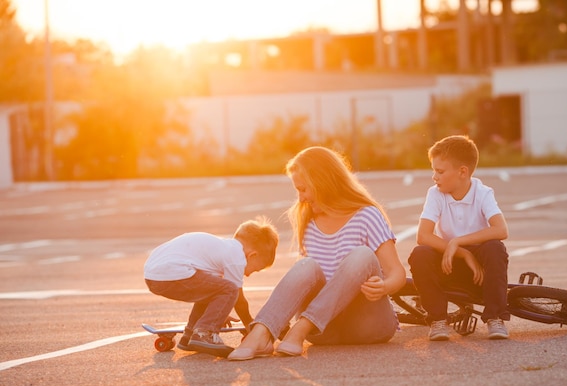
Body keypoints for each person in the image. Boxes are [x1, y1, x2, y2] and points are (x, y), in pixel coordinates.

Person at [227, 146, 406, 361]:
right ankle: (260, 334)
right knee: (306, 265)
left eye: (303, 189)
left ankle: (300, 329)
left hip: (368, 325)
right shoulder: (308, 221)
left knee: (362, 255)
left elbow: (397, 273)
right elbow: (305, 282)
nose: (301, 198)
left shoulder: (367, 215)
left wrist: (384, 287)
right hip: (325, 332)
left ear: (323, 183)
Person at [407, 135, 510, 341]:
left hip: (479, 271)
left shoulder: (482, 193)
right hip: (450, 264)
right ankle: (438, 320)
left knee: (495, 248)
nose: (434, 177)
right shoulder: (436, 194)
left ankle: (495, 318)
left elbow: (501, 230)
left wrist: (457, 242)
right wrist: (462, 253)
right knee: (420, 254)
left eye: (440, 171)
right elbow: (423, 235)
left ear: (463, 172)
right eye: (434, 170)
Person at [144, 216, 279, 357]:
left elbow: (210, 290)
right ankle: (204, 332)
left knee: (215, 289)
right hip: (173, 272)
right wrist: (251, 328)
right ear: (252, 255)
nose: (249, 275)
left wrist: (219, 312)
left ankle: (190, 336)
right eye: (255, 269)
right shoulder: (237, 257)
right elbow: (239, 301)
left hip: (154, 275)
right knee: (231, 289)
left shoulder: (221, 249)